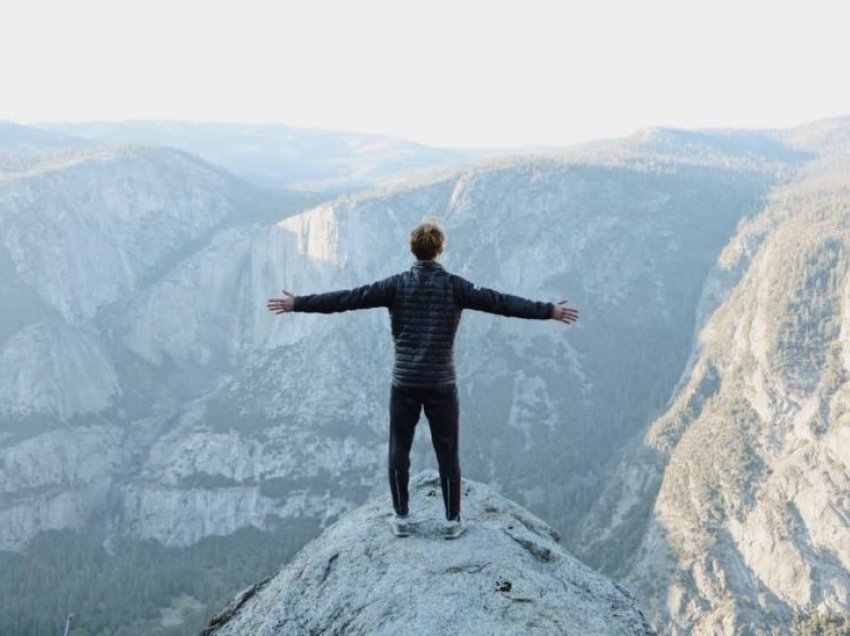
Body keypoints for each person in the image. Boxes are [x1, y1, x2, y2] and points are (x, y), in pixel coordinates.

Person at [266, 219, 579, 539]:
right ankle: (451, 521)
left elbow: (347, 298)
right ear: (440, 249)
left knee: (399, 448)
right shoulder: (457, 287)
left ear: (412, 250)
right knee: (447, 451)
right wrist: (548, 311)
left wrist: (298, 304)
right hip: (441, 383)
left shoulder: (396, 285)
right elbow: (501, 303)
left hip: (404, 383)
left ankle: (401, 518)